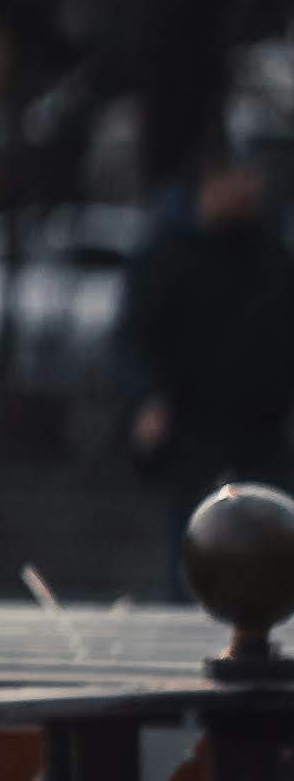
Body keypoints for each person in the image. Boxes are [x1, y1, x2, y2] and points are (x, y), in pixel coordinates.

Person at [122, 141, 294, 579]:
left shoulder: (268, 254)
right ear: (212, 182)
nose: (251, 190)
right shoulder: (169, 254)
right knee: (193, 543)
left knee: (264, 546)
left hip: (259, 427)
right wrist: (148, 398)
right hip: (192, 424)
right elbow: (134, 337)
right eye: (241, 178)